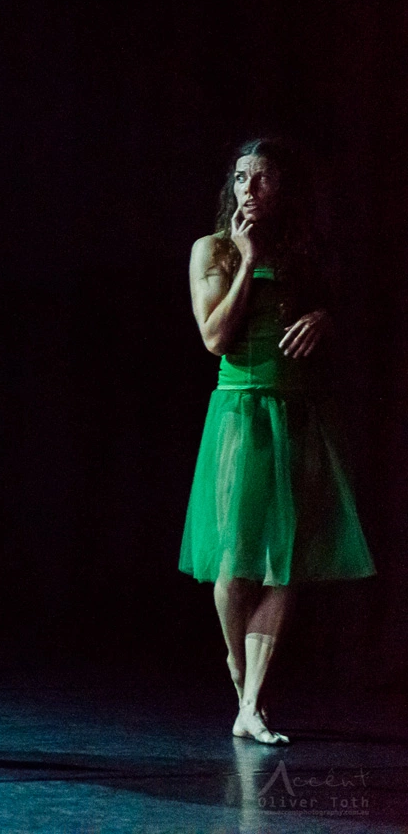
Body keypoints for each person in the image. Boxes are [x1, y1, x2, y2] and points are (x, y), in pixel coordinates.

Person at [180, 138, 375, 743]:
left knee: (282, 564)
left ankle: (254, 704)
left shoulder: (307, 254)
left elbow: (346, 310)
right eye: (241, 178)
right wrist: (244, 258)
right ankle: (240, 674)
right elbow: (214, 337)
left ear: (283, 188)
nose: (249, 189)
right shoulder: (211, 249)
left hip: (299, 412)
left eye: (262, 179)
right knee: (234, 564)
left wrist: (328, 318)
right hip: (241, 411)